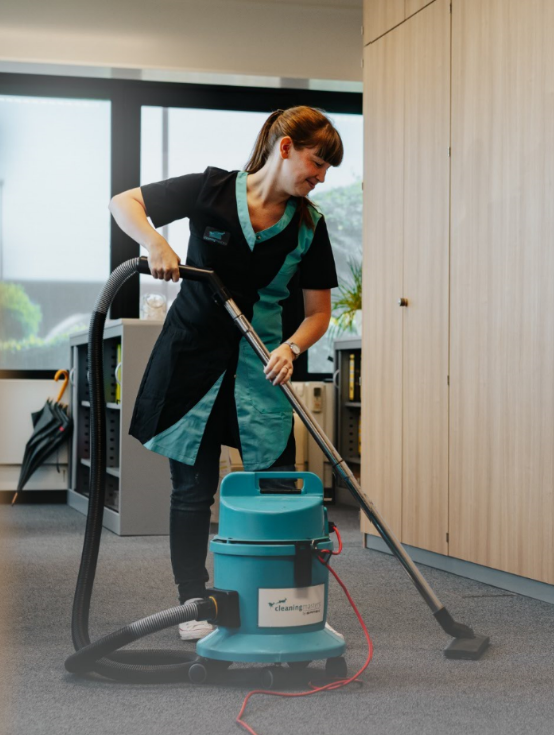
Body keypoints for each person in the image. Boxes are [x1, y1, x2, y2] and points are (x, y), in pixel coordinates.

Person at [109, 105, 343, 640]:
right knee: (192, 491)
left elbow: (317, 314)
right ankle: (194, 603)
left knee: (278, 491)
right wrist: (155, 242)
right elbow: (125, 202)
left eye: (327, 168)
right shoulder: (210, 189)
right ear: (284, 148)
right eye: (317, 161)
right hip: (192, 360)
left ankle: (287, 599)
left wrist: (291, 346)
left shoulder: (309, 225)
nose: (321, 176)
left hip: (262, 365)